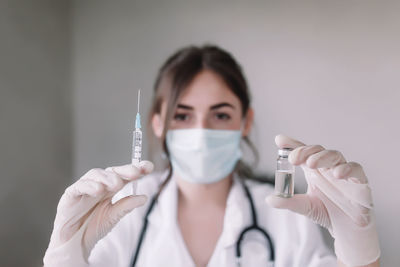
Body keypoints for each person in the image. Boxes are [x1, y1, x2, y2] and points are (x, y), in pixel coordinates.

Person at [43, 45, 380, 267]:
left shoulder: (284, 212)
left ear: (244, 122)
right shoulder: (120, 212)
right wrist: (65, 253)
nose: (200, 131)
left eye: (220, 115)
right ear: (157, 124)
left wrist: (360, 250)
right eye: (183, 115)